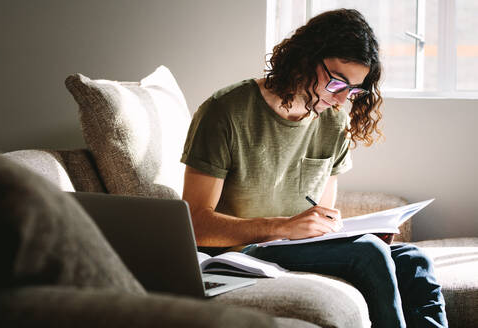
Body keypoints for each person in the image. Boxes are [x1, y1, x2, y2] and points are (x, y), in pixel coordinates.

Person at [180, 8, 448, 328]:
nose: (341, 99)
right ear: (306, 57)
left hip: (294, 250)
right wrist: (281, 226)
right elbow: (194, 223)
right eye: (337, 82)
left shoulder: (334, 122)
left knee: (415, 261)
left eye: (353, 90)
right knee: (369, 254)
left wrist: (357, 231)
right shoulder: (225, 111)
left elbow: (321, 214)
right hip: (239, 255)